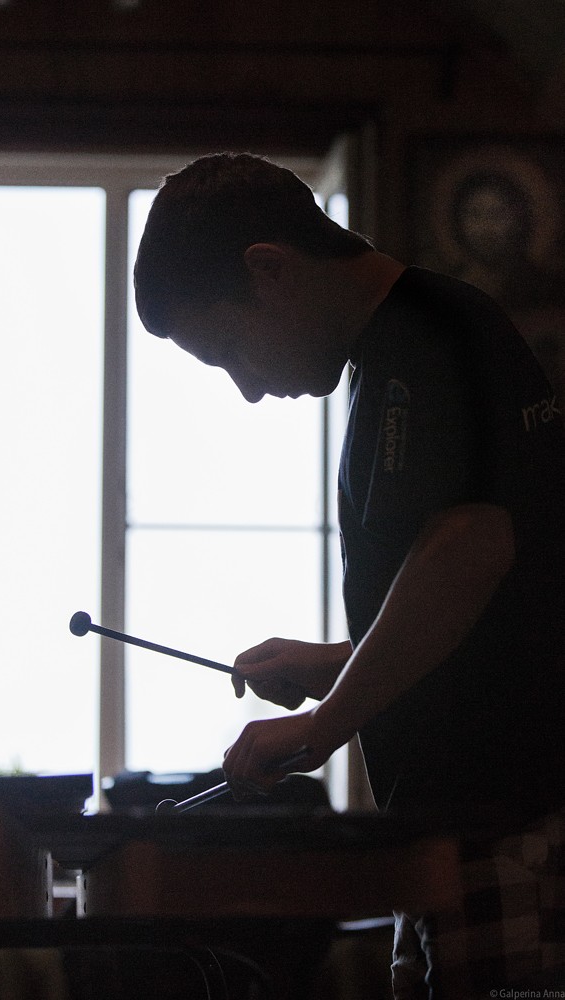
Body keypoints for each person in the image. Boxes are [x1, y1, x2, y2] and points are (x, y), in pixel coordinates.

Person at [133, 152, 565, 997]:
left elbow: (471, 546)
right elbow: (493, 615)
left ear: (268, 269)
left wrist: (325, 724)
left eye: (228, 349)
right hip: (452, 829)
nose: (246, 388)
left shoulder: (436, 332)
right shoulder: (394, 355)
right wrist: (338, 663)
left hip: (513, 823)